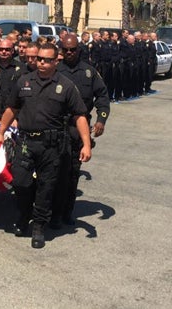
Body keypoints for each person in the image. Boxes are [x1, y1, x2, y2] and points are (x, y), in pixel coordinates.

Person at [0, 43, 92, 249]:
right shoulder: (24, 82)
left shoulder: (66, 86)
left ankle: (38, 226)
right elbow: (12, 108)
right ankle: (23, 216)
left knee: (46, 188)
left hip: (51, 146)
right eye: (39, 59)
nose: (42, 63)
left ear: (56, 61)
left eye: (47, 60)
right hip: (26, 142)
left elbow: (79, 116)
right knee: (20, 182)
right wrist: (0, 133)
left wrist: (86, 144)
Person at [53, 34, 109, 227]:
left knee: (72, 174)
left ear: (79, 50)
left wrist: (101, 120)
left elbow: (102, 97)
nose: (69, 53)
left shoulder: (89, 72)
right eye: (66, 50)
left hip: (78, 129)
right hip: (56, 127)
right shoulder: (54, 70)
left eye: (73, 50)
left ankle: (66, 212)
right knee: (53, 172)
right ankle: (52, 212)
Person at [0, 39, 27, 118]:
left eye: (7, 49)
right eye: (1, 49)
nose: (4, 51)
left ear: (12, 50)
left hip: (14, 114)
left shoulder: (22, 68)